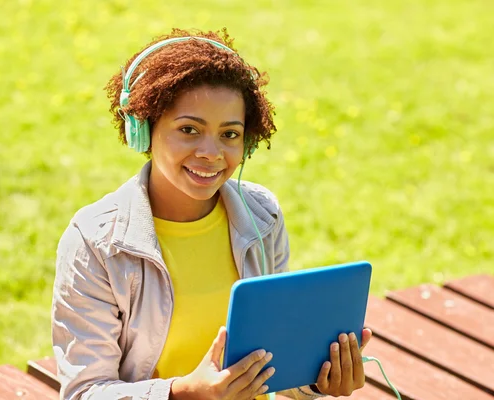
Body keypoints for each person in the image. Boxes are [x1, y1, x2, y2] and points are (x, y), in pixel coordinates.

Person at [51, 28, 372, 400]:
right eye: (189, 129)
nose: (211, 152)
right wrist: (184, 393)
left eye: (230, 134)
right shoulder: (94, 243)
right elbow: (85, 392)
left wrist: (318, 380)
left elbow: (274, 365)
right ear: (142, 128)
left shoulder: (261, 216)